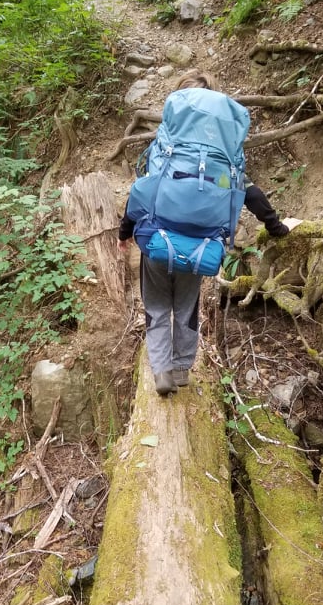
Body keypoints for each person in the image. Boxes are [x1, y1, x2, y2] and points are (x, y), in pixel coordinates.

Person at [117, 70, 301, 396]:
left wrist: (124, 232)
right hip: (202, 249)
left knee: (158, 307)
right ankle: (181, 368)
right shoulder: (224, 155)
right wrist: (277, 227)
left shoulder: (168, 145)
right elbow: (253, 195)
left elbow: (140, 193)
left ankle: (160, 370)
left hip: (157, 243)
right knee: (186, 307)